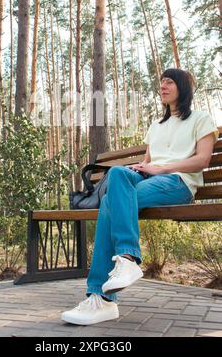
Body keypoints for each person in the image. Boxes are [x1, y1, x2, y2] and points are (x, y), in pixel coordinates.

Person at [61, 68, 219, 326]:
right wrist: (139, 167)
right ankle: (126, 260)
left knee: (110, 204)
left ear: (183, 87)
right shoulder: (156, 125)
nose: (163, 86)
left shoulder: (200, 119)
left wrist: (162, 168)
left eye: (169, 81)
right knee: (118, 174)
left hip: (177, 182)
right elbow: (147, 161)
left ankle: (101, 297)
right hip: (150, 178)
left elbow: (202, 161)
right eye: (161, 82)